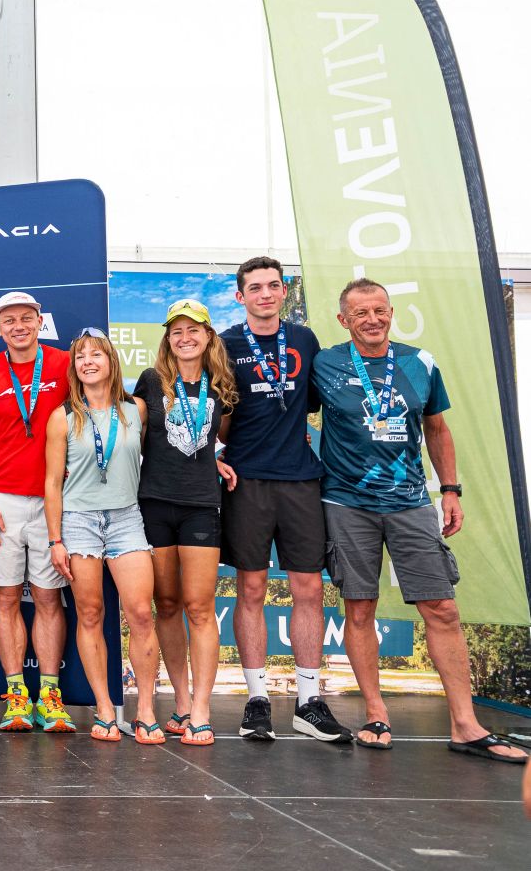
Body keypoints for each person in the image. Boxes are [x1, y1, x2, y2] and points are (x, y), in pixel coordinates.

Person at [313, 279, 526, 763]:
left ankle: (465, 725)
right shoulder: (326, 364)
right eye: (360, 313)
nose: (372, 319)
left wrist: (450, 490)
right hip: (346, 502)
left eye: (380, 310)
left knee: (442, 609)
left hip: (410, 502)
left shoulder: (420, 362)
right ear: (344, 320)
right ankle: (376, 715)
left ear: (391, 313)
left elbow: (437, 428)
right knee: (359, 609)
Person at [219, 257, 351, 742]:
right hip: (247, 481)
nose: (266, 294)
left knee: (309, 590)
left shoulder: (304, 340)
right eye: (255, 288)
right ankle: (256, 701)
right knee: (251, 589)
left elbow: (313, 403)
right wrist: (215, 454)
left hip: (300, 479)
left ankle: (309, 703)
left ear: (283, 292)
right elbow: (215, 414)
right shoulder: (224, 344)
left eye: (273, 286)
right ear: (241, 296)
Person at [42, 328, 160, 744]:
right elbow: (52, 483)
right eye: (80, 357)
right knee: (90, 614)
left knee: (140, 613)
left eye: (96, 355)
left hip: (127, 518)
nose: (88, 362)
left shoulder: (137, 409)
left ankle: (146, 709)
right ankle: (105, 709)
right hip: (79, 522)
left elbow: (163, 456)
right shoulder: (62, 417)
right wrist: (55, 540)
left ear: (111, 362)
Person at [0, 291, 75, 733]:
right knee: (6, 598)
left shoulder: (66, 364)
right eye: (9, 320)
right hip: (2, 501)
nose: (18, 326)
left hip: (55, 501)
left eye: (26, 318)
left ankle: (49, 696)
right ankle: (15, 695)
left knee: (48, 598)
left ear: (39, 321)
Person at [132, 299, 237, 747]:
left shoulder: (222, 386)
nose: (185, 337)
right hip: (154, 503)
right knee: (167, 604)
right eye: (176, 331)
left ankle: (202, 710)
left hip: (200, 506)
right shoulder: (151, 380)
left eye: (194, 329)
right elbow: (133, 434)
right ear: (168, 338)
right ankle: (180, 703)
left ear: (208, 336)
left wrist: (217, 460)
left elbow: (221, 438)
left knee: (200, 607)